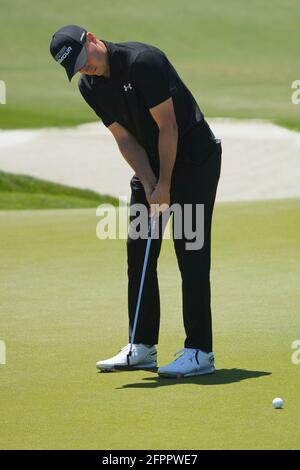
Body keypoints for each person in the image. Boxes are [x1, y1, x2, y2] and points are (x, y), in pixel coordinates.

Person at [50, 25, 222, 378]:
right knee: (139, 248)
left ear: (93, 39)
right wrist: (148, 183)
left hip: (194, 160)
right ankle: (142, 346)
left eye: (86, 59)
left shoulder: (144, 62)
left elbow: (168, 127)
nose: (86, 68)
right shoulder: (90, 86)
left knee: (189, 250)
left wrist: (166, 185)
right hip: (152, 163)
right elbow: (124, 138)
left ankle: (200, 351)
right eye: (78, 67)